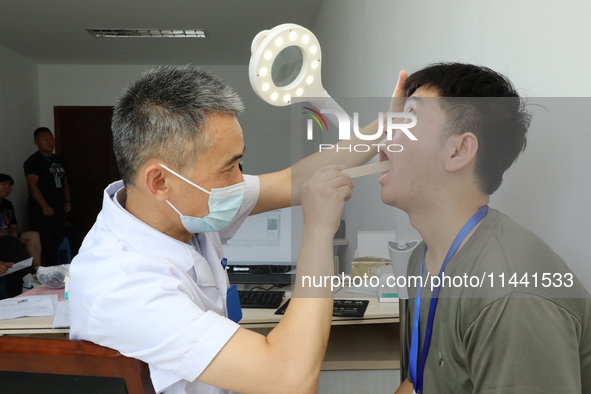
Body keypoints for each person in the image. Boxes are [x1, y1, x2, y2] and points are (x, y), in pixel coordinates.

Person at [68, 65, 389, 394]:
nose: (240, 181)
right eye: (228, 168)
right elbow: (289, 380)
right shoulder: (122, 285)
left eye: (240, 164)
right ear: (160, 181)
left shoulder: (181, 207)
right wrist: (320, 232)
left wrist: (386, 124)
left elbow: (291, 181)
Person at [380, 63, 591, 393]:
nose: (383, 136)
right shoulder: (422, 259)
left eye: (406, 120)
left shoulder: (512, 296)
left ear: (459, 150)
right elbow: (417, 383)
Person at [23, 127, 71, 266]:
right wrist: (44, 206)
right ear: (36, 142)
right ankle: (45, 274)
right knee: (45, 243)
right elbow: (32, 185)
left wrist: (67, 200)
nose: (50, 142)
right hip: (41, 211)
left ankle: (55, 272)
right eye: (45, 139)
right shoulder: (33, 161)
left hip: (59, 208)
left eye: (51, 138)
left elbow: (64, 181)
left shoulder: (59, 160)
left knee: (56, 242)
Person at [0, 173, 42, 267]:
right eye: (3, 185)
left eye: (10, 186)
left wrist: (14, 233)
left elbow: (13, 225)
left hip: (9, 236)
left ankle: (37, 270)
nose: (7, 188)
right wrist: (14, 238)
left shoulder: (7, 204)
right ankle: (25, 273)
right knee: (12, 242)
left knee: (33, 235)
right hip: (4, 238)